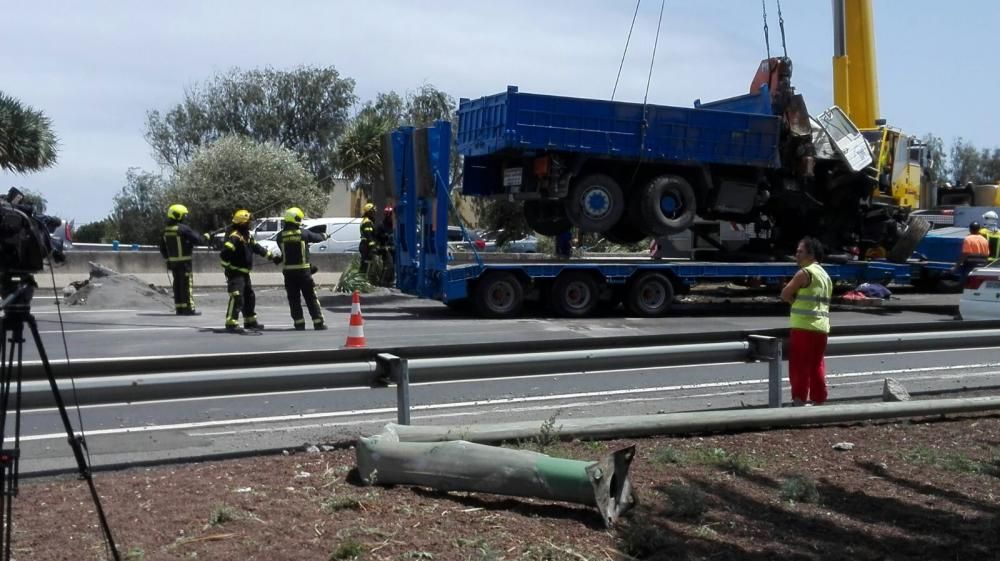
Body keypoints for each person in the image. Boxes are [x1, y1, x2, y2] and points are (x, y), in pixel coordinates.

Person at [780, 236, 832, 406]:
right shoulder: (825, 276)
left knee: (799, 366)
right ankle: (819, 400)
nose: (797, 255)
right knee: (817, 365)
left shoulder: (805, 273)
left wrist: (794, 301)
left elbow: (785, 294)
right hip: (821, 328)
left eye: (800, 251)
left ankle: (799, 400)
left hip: (803, 327)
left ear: (811, 254)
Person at [220, 209, 282, 333]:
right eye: (249, 222)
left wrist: (272, 256)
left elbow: (257, 248)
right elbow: (224, 254)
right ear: (242, 223)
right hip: (236, 273)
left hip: (244, 272)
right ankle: (231, 323)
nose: (251, 224)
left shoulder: (247, 236)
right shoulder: (235, 237)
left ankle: (250, 321)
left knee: (249, 297)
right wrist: (229, 267)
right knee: (237, 297)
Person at [278, 207, 328, 331]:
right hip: (303, 272)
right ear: (296, 219)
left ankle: (299, 323)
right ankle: (318, 323)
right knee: (310, 297)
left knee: (293, 299)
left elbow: (286, 253)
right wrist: (325, 235)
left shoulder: (280, 236)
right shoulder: (303, 233)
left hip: (288, 274)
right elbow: (317, 237)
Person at [158, 204, 210, 316]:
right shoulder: (183, 229)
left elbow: (162, 248)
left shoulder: (165, 230)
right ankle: (189, 309)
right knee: (186, 286)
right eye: (184, 215)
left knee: (177, 285)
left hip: (173, 263)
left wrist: (168, 259)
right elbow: (198, 240)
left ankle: (180, 308)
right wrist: (206, 236)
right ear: (179, 215)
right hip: (185, 263)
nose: (185, 217)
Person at [376, 205, 396, 287]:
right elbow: (377, 238)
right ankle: (383, 281)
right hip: (385, 249)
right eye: (390, 215)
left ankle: (391, 280)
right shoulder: (381, 226)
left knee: (394, 265)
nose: (392, 217)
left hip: (394, 248)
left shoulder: (393, 226)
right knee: (389, 265)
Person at [358, 203, 377, 274]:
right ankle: (363, 279)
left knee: (365, 263)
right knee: (366, 264)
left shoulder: (367, 221)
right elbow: (368, 235)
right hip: (366, 245)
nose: (374, 213)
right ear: (369, 212)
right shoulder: (367, 222)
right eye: (373, 211)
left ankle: (363, 278)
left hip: (365, 245)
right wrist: (372, 246)